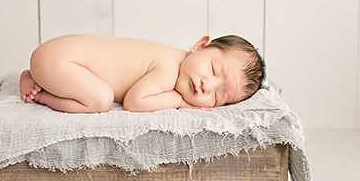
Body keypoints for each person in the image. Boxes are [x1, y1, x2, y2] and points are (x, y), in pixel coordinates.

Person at [20, 33, 265, 113]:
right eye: (212, 69)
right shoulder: (169, 67)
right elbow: (135, 102)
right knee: (101, 100)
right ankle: (40, 92)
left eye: (218, 97)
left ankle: (38, 77)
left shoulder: (175, 60)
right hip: (59, 60)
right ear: (199, 46)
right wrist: (179, 102)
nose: (206, 85)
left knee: (99, 94)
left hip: (58, 55)